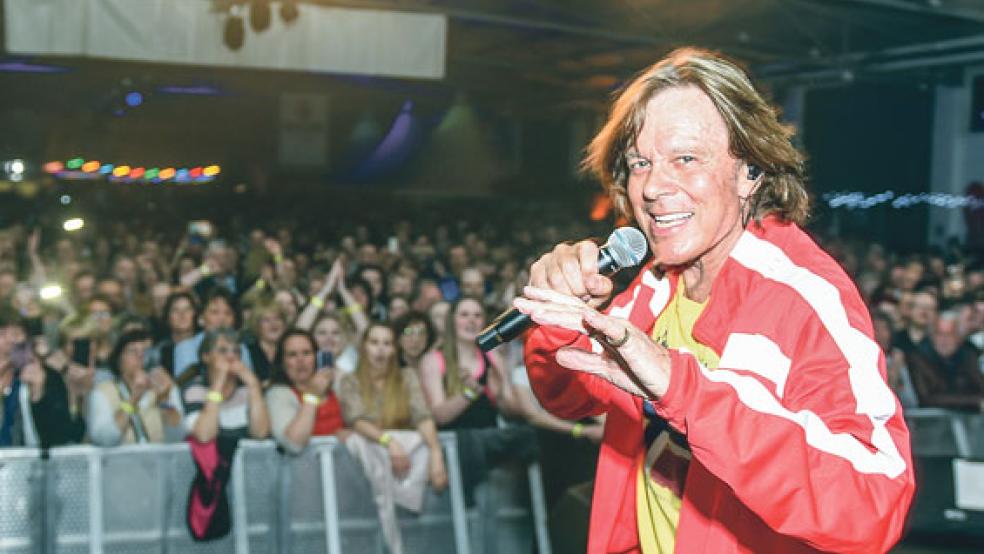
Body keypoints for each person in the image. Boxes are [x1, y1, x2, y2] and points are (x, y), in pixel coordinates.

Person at [514, 48, 914, 553]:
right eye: (641, 163)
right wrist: (559, 319)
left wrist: (684, 389)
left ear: (750, 171)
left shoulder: (803, 299)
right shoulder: (656, 286)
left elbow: (875, 505)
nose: (655, 187)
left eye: (686, 159)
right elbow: (567, 396)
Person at [336, 323, 447, 554]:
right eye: (374, 343)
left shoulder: (407, 376)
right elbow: (356, 421)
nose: (380, 350)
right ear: (363, 347)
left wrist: (436, 454)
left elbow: (423, 416)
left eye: (387, 344)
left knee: (423, 442)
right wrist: (390, 442)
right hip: (369, 459)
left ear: (395, 349)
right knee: (362, 442)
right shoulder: (350, 380)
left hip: (405, 458)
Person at [87, 330, 184, 446]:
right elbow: (104, 439)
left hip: (158, 461)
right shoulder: (102, 392)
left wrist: (164, 400)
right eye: (133, 351)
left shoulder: (166, 387)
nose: (140, 356)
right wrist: (132, 400)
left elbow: (178, 437)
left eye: (146, 351)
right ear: (118, 359)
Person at [181, 328, 270, 442]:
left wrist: (253, 385)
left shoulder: (247, 390)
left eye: (236, 351)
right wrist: (218, 384)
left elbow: (260, 434)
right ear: (206, 357)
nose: (231, 356)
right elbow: (204, 435)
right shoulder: (195, 390)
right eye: (223, 351)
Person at [266, 329, 346, 454]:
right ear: (282, 362)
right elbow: (294, 444)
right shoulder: (278, 394)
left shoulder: (337, 384)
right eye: (292, 354)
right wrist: (312, 396)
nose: (300, 360)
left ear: (316, 357)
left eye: (306, 353)